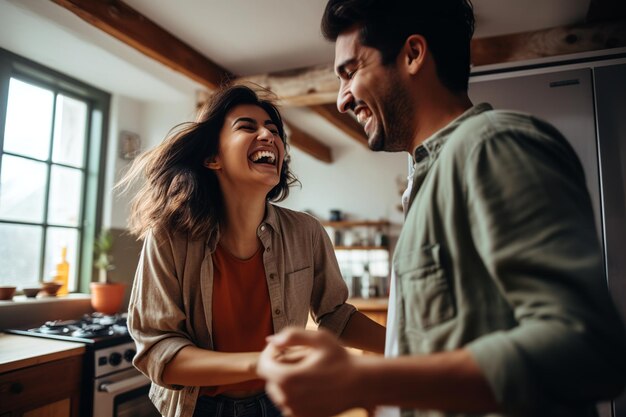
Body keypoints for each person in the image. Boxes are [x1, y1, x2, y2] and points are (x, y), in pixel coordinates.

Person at [256, 1, 626, 417]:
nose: (342, 100)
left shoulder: (491, 146)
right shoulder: (426, 178)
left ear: (413, 54)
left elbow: (586, 348)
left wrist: (363, 379)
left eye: (350, 71)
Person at [122, 84, 386, 417]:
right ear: (212, 157)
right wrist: (265, 362)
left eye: (275, 131)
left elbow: (336, 317)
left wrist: (409, 349)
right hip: (198, 408)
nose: (269, 136)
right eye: (248, 126)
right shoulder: (169, 237)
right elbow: (158, 351)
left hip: (280, 403)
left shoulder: (307, 232)